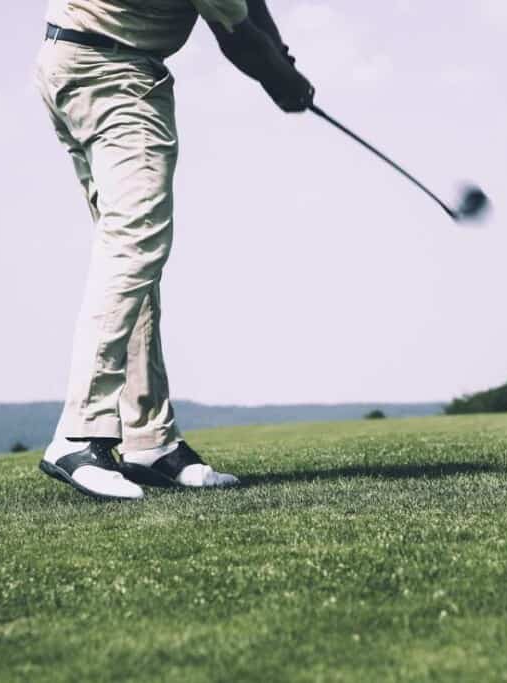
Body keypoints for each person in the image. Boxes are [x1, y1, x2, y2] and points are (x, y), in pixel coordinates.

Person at [35, 0, 314, 500]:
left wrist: (284, 61)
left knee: (133, 258)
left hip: (71, 62)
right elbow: (238, 34)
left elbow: (248, 8)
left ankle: (150, 441)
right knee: (134, 244)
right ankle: (80, 433)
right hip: (116, 74)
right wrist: (284, 80)